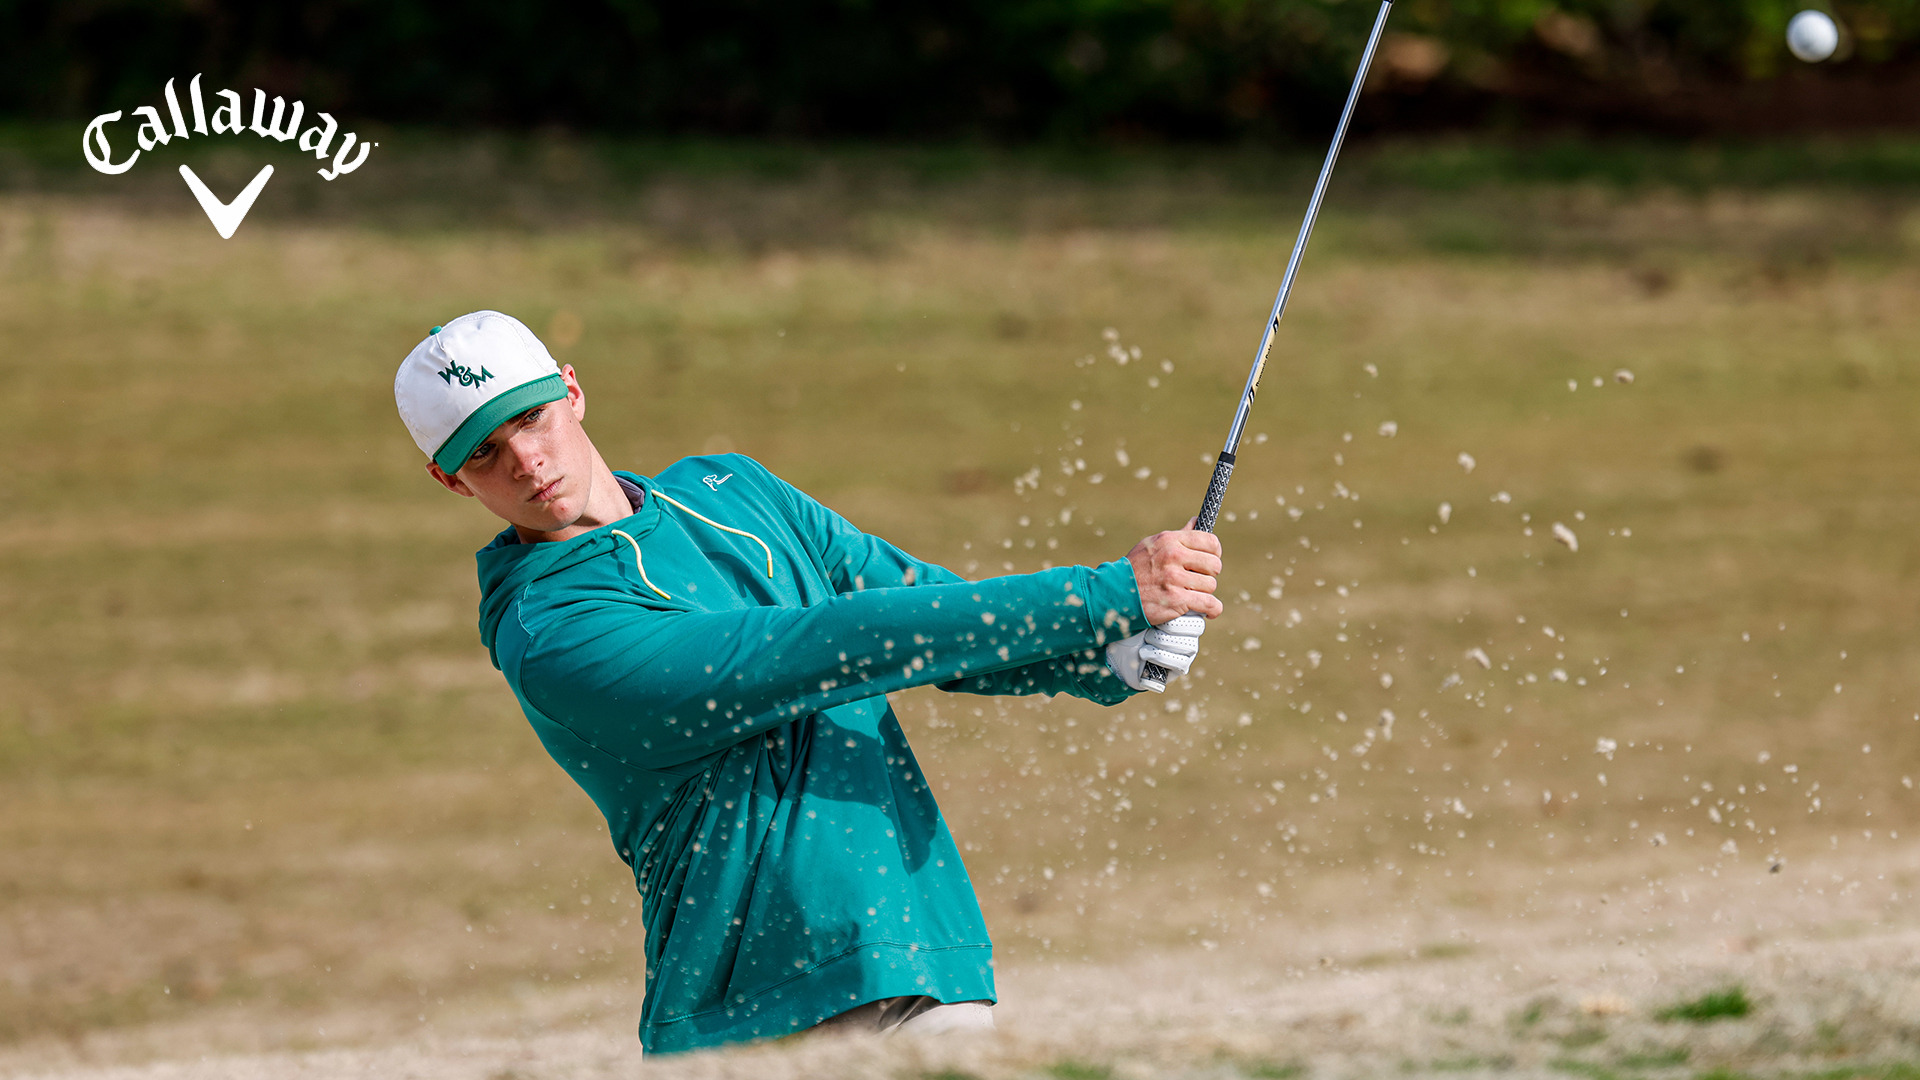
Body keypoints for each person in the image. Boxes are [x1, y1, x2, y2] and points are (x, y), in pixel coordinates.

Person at [394, 310, 1223, 1053]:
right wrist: (1098, 596)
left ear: (572, 391)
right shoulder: (550, 632)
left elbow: (913, 602)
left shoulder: (734, 490)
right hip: (751, 1023)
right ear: (450, 479)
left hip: (914, 954)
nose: (526, 460)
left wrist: (1104, 657)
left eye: (531, 418)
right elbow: (820, 647)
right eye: (486, 453)